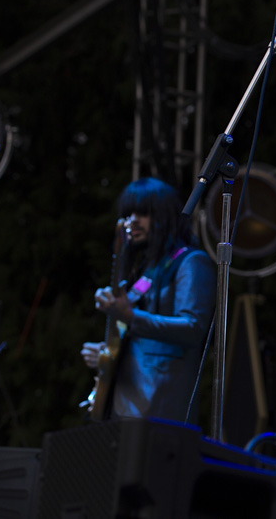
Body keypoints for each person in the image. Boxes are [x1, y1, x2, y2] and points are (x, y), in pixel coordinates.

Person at [81, 177, 215, 423]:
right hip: (123, 405)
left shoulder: (191, 262)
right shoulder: (145, 269)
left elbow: (193, 327)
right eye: (129, 213)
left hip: (159, 408)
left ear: (164, 217)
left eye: (143, 213)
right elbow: (137, 339)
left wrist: (131, 316)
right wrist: (106, 353)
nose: (133, 220)